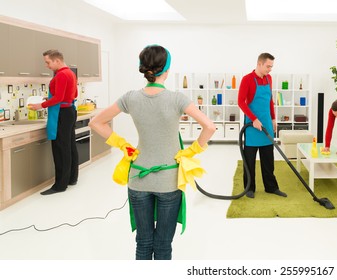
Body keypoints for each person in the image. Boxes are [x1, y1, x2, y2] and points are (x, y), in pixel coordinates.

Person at [89, 45, 215, 260]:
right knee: (163, 244)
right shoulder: (177, 99)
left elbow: (96, 122)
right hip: (168, 180)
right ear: (166, 69)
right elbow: (210, 127)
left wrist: (124, 146)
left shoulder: (130, 97)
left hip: (138, 178)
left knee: (144, 242)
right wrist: (191, 152)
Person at [28, 50, 79, 195]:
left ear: (57, 60)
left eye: (48, 62)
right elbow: (73, 94)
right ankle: (71, 179)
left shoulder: (62, 74)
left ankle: (60, 186)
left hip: (62, 114)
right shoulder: (70, 73)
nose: (47, 65)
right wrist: (48, 100)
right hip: (69, 111)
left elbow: (58, 98)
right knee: (69, 146)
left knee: (60, 149)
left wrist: (41, 106)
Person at [238, 53, 287, 199]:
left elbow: (270, 100)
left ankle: (271, 187)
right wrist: (253, 119)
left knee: (268, 159)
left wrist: (273, 119)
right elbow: (241, 102)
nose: (270, 69)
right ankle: (249, 188)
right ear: (259, 64)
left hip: (266, 123)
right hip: (252, 126)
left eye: (272, 66)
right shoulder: (247, 79)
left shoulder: (269, 78)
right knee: (250, 160)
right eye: (268, 66)